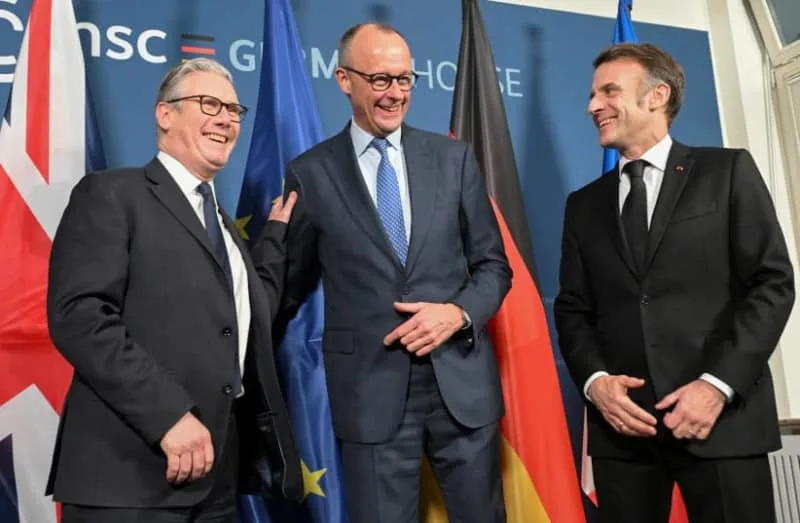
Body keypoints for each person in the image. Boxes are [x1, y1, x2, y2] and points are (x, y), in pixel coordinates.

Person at [266, 22, 511, 523]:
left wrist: (457, 313)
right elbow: (286, 287)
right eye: (380, 80)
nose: (395, 93)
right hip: (369, 394)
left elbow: (493, 266)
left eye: (405, 79)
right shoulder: (310, 172)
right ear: (343, 79)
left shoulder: (453, 157)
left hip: (460, 388)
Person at [46, 57, 302, 523]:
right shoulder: (112, 194)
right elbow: (80, 315)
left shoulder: (224, 226)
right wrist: (169, 415)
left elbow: (246, 313)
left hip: (216, 483)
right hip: (129, 481)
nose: (227, 118)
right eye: (209, 103)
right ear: (165, 115)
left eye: (234, 109)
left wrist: (275, 240)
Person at [554, 42, 795, 522]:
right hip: (624, 433)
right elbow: (573, 310)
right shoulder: (583, 205)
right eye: (592, 94)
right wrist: (597, 383)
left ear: (656, 95)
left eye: (609, 91)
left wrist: (715, 386)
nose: (592, 106)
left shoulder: (726, 172)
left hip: (722, 422)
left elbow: (772, 284)